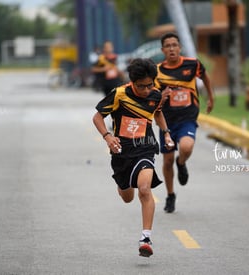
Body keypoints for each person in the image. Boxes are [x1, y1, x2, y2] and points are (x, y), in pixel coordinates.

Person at [92, 58, 174, 257]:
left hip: (145, 148)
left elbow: (158, 113)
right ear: (132, 81)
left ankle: (145, 238)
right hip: (121, 151)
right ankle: (122, 184)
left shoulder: (155, 95)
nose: (146, 90)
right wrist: (108, 136)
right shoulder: (119, 94)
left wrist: (166, 133)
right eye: (141, 87)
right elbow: (97, 117)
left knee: (145, 190)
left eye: (149, 85)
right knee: (127, 197)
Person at [155, 32, 215, 213]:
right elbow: (152, 96)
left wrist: (210, 98)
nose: (172, 48)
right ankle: (170, 194)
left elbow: (205, 77)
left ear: (179, 47)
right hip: (166, 122)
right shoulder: (157, 71)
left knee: (187, 147)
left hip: (187, 118)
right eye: (168, 46)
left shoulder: (192, 64)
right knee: (167, 161)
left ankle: (181, 163)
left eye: (175, 45)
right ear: (163, 50)